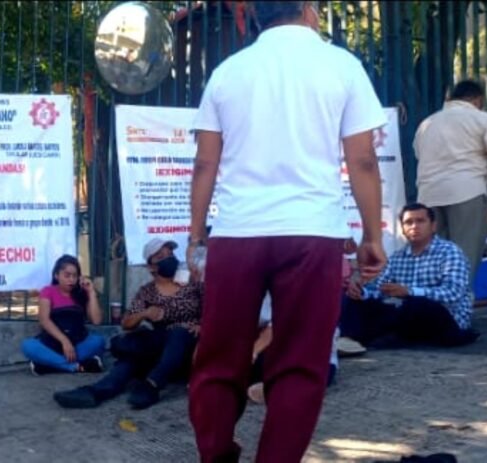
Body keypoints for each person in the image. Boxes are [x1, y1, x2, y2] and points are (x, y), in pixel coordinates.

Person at [185, 2, 388, 461]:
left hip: (236, 234)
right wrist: (372, 236)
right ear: (308, 9)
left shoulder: (228, 72)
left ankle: (215, 454)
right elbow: (362, 160)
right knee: (300, 363)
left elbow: (204, 164)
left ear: (255, 16)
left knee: (218, 357)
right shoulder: (342, 65)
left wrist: (196, 237)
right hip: (312, 233)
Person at [53, 247, 202, 410]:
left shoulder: (191, 284)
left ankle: (152, 385)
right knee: (130, 359)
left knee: (179, 333)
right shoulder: (147, 291)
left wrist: (202, 325)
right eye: (161, 256)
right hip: (161, 346)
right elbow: (127, 323)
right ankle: (95, 392)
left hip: (188, 347)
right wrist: (145, 313)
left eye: (170, 254)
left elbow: (214, 307)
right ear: (151, 266)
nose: (169, 258)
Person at [340, 203, 480, 348]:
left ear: (433, 226)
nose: (414, 226)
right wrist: (362, 293)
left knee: (417, 303)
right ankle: (350, 340)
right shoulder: (397, 257)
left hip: (447, 319)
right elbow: (380, 290)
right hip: (406, 314)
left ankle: (385, 336)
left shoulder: (450, 252)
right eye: (408, 222)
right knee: (353, 298)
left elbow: (453, 293)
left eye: (420, 221)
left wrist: (410, 291)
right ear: (403, 229)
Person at [414, 79, 487, 286]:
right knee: (464, 255)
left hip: (428, 196)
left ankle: (435, 300)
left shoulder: (427, 123)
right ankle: (459, 300)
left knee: (435, 256)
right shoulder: (482, 119)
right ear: (478, 100)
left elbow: (420, 155)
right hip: (467, 193)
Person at [21, 254, 106, 375]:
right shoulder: (48, 291)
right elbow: (44, 320)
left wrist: (91, 292)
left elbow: (97, 320)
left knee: (98, 341)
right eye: (67, 275)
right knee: (28, 346)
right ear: (57, 275)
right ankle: (76, 366)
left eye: (74, 276)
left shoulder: (81, 293)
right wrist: (64, 341)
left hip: (77, 345)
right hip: (52, 344)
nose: (71, 280)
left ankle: (49, 366)